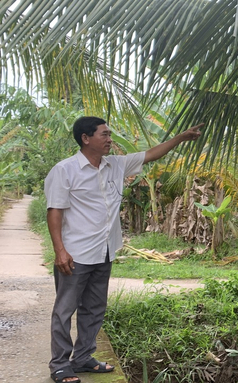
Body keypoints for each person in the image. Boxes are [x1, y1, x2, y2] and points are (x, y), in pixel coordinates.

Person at [44, 116, 202, 383]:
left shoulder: (115, 165)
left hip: (104, 251)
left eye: (110, 134)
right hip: (76, 254)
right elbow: (54, 211)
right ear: (86, 138)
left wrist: (180, 138)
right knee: (64, 310)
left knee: (95, 308)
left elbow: (150, 154)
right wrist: (60, 250)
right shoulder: (64, 170)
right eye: (104, 135)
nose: (110, 139)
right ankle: (60, 364)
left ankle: (83, 357)